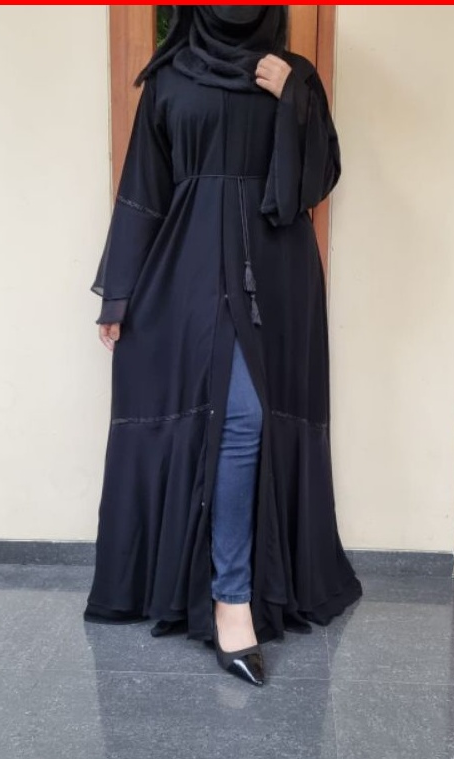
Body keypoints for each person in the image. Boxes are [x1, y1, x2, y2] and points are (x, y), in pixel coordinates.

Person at [84, 5, 362, 687]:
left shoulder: (293, 74)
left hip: (275, 272)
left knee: (251, 418)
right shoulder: (169, 78)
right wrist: (119, 292)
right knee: (220, 419)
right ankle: (220, 595)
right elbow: (143, 190)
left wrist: (295, 102)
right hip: (185, 268)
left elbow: (319, 180)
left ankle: (234, 593)